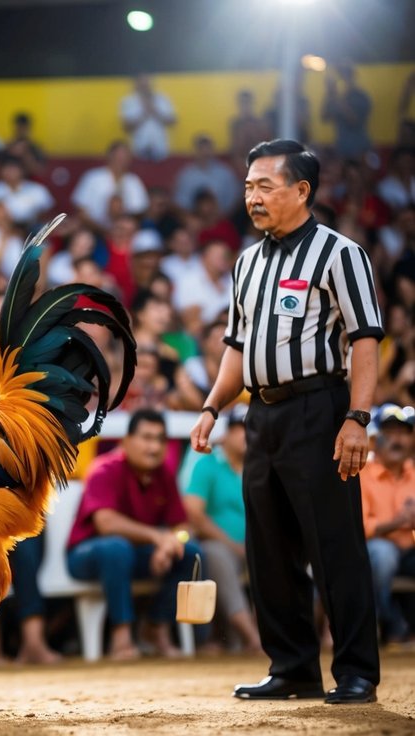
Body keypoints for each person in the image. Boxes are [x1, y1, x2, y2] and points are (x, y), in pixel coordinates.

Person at [191, 139, 384, 704]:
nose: (252, 197)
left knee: (334, 545)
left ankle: (357, 672)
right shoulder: (246, 263)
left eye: (265, 186)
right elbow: (236, 347)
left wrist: (357, 417)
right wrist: (211, 407)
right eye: (248, 186)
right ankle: (293, 667)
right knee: (269, 548)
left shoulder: (340, 253)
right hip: (261, 415)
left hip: (319, 410)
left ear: (301, 191)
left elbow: (365, 339)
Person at [67, 409, 201, 660]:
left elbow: (184, 527)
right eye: (147, 438)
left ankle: (156, 626)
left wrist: (171, 543)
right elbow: (105, 523)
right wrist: (157, 537)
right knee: (116, 548)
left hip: (137, 554)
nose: (154, 447)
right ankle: (121, 637)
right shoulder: (104, 468)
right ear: (126, 441)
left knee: (190, 553)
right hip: (86, 556)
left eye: (160, 439)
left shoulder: (164, 474)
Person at [181, 405, 262, 654]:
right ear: (226, 433)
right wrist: (233, 545)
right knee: (217, 555)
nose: (246, 434)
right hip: (219, 545)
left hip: (254, 546)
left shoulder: (260, 466)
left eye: (251, 428)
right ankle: (252, 639)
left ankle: (274, 634)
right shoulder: (207, 463)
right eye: (240, 428)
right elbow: (194, 514)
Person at [359, 405, 415, 644]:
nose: (398, 440)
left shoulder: (413, 472)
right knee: (384, 554)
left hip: (409, 550)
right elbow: (360, 527)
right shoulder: (362, 472)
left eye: (403, 433)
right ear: (375, 439)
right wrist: (396, 523)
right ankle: (387, 625)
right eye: (390, 432)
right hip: (372, 551)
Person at [71, 141, 149, 228]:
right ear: (109, 156)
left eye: (125, 157)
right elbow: (81, 211)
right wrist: (104, 231)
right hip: (94, 230)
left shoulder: (133, 180)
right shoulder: (93, 177)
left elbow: (139, 211)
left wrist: (122, 224)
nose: (121, 160)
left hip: (127, 231)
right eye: (118, 156)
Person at [173, 134, 241, 215]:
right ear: (195, 152)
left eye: (208, 149)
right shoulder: (186, 175)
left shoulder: (225, 172)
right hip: (194, 218)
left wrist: (222, 217)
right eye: (201, 149)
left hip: (222, 217)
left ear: (213, 151)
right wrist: (191, 219)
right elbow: (181, 203)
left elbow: (234, 199)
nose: (205, 153)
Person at [322, 62, 372, 161]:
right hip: (341, 149)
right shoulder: (336, 98)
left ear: (352, 77)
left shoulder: (361, 97)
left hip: (360, 148)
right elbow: (324, 117)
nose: (342, 79)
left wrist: (337, 98)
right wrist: (329, 94)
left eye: (344, 75)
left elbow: (354, 121)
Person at [120, 74, 176, 161]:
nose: (145, 87)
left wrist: (155, 112)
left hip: (160, 149)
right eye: (142, 84)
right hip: (139, 149)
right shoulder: (128, 101)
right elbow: (126, 127)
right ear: (136, 84)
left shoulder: (162, 99)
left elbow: (172, 122)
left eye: (147, 84)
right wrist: (144, 114)